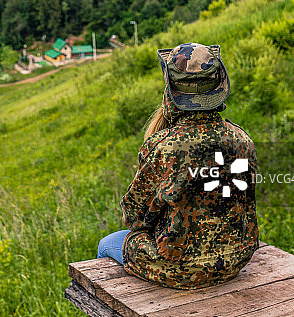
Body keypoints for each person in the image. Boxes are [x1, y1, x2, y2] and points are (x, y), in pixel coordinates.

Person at [97, 42, 258, 289]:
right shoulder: (242, 140)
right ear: (218, 87)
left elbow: (134, 218)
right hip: (235, 261)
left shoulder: (162, 147)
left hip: (179, 269)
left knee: (107, 244)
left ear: (171, 92)